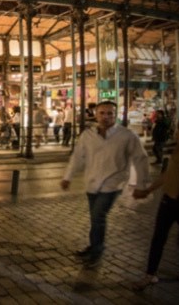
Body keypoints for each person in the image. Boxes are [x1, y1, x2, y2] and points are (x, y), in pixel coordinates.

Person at [60, 100, 150, 268]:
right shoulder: (88, 135)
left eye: (110, 113)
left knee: (98, 217)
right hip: (92, 182)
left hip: (112, 184)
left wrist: (141, 185)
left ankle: (97, 251)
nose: (106, 117)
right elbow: (78, 157)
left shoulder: (127, 136)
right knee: (95, 218)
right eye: (102, 113)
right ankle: (94, 245)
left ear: (115, 115)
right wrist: (68, 177)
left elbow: (140, 159)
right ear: (96, 114)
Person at [132, 118, 179, 290]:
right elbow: (166, 174)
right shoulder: (177, 148)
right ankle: (150, 274)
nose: (177, 133)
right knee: (158, 238)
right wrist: (148, 190)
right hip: (168, 200)